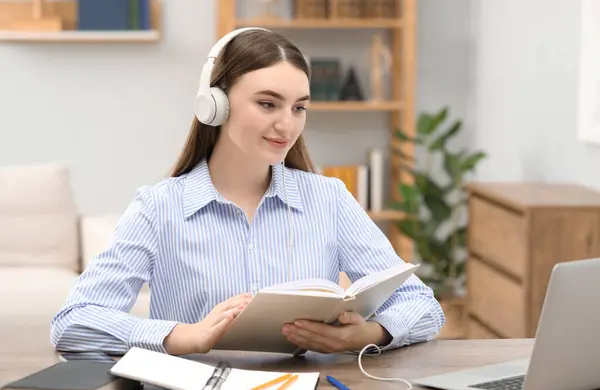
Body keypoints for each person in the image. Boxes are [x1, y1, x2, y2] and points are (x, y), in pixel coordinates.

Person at [50, 27, 445, 357]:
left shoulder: (329, 199)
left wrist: (369, 334)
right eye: (268, 104)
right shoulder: (159, 207)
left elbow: (422, 305)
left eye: (298, 108)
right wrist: (179, 336)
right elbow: (73, 321)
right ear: (215, 105)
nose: (287, 126)